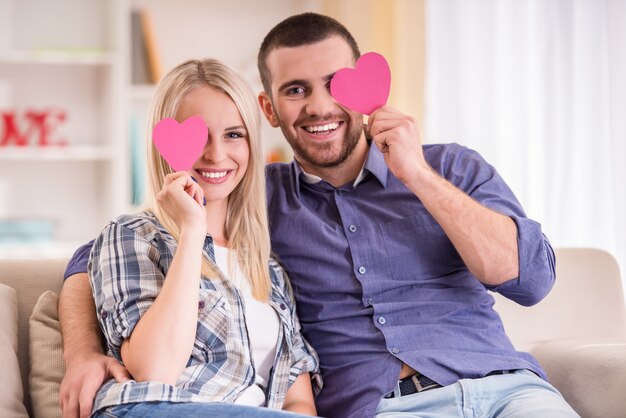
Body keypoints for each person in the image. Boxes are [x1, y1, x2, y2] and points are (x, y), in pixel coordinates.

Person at [60, 13, 579, 418]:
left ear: (366, 88)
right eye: (296, 90)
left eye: (336, 83)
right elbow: (98, 254)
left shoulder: (449, 167)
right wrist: (82, 353)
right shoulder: (253, 199)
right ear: (269, 110)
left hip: (506, 388)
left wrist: (416, 175)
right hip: (383, 406)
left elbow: (530, 281)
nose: (320, 105)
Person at [67, 57, 320, 418]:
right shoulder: (132, 237)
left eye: (234, 135)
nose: (217, 154)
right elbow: (155, 370)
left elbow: (297, 400)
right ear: (165, 144)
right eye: (198, 135)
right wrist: (191, 230)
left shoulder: (267, 266)